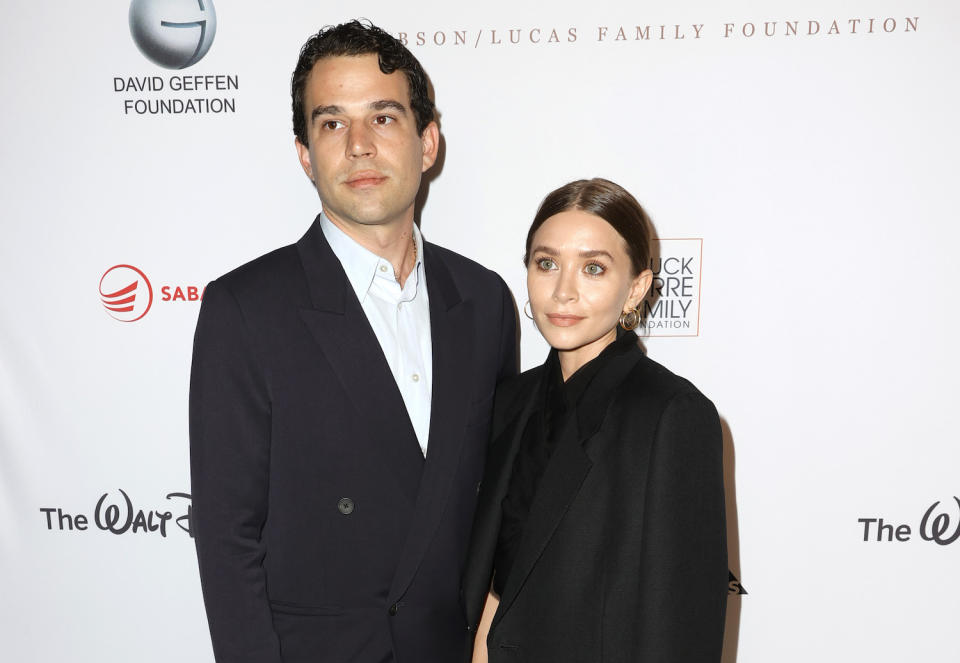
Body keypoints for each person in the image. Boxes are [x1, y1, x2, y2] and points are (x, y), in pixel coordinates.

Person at [189, 20, 517, 663]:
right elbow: (227, 541)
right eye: (332, 123)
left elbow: (497, 504)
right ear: (306, 154)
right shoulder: (246, 309)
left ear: (428, 143)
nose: (360, 146)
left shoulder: (484, 300)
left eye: (384, 118)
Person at [462, 178, 727, 663]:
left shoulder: (671, 415)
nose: (563, 292)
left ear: (636, 289)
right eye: (547, 264)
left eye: (593, 268)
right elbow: (495, 584)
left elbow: (679, 623)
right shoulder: (508, 403)